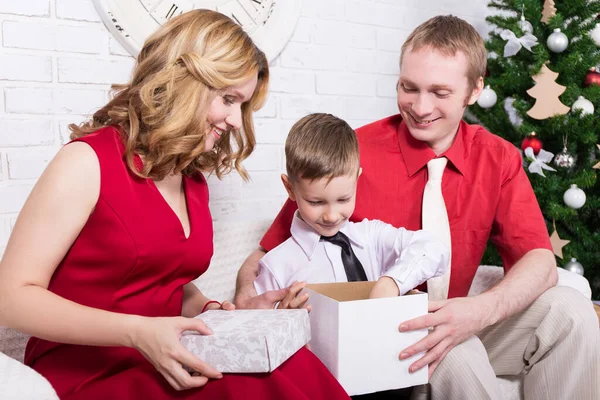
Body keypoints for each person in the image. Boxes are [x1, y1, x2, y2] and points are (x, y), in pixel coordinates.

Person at [234, 15, 600, 400]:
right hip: (387, 336)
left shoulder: (497, 158)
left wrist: (479, 312)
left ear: (475, 90)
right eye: (409, 88)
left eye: (440, 92)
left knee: (572, 312)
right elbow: (265, 253)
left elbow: (539, 261)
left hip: (462, 317)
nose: (420, 107)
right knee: (459, 354)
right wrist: (248, 299)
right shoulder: (351, 152)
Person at [0, 10, 351, 400]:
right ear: (185, 83)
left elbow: (166, 283)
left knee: (292, 363)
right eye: (228, 99)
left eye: (243, 105)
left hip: (168, 354)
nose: (237, 120)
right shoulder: (87, 161)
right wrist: (138, 332)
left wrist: (219, 312)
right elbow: (10, 298)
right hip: (92, 370)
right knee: (246, 387)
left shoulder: (191, 179)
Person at [254, 113, 449, 304]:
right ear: (290, 189)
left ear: (356, 180)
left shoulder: (372, 237)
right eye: (316, 202)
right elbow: (256, 324)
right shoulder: (276, 266)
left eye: (343, 199)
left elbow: (433, 248)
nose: (331, 216)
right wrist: (285, 320)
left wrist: (393, 282)